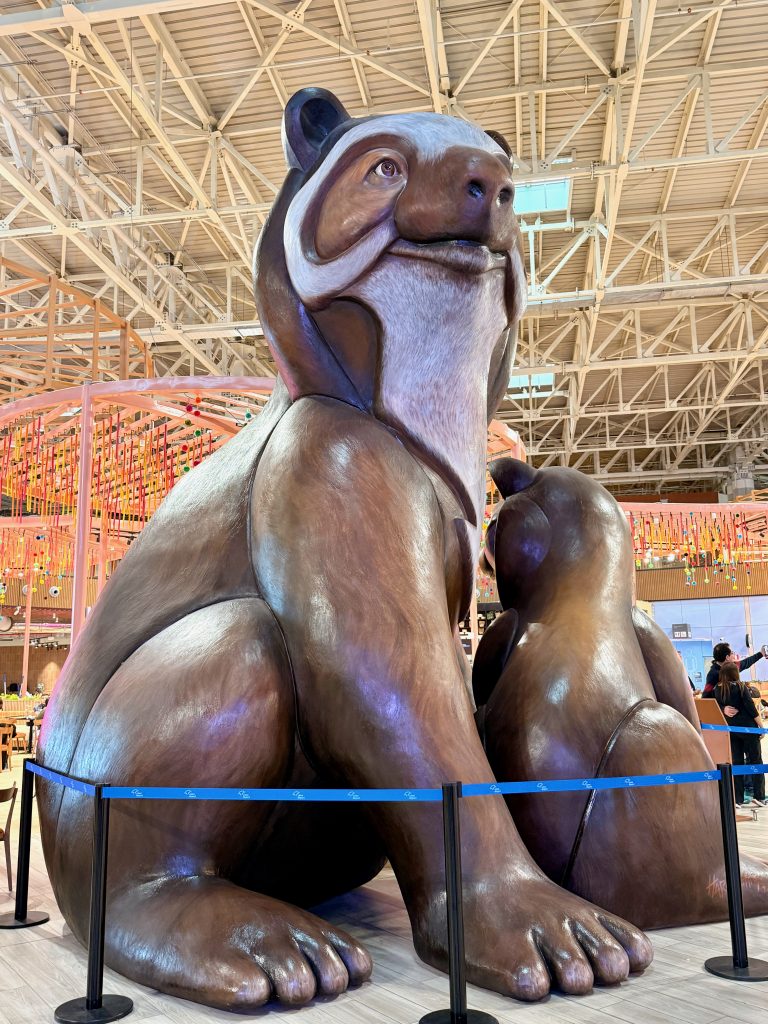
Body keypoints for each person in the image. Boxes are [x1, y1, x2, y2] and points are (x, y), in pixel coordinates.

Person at [713, 662, 766, 808]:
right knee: (756, 761)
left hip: (732, 731)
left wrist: (723, 709)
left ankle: (738, 799)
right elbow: (751, 709)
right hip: (748, 730)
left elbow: (716, 705)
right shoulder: (741, 687)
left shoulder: (718, 689)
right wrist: (761, 726)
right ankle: (759, 796)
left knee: (736, 763)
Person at [702, 641, 768, 697]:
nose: (734, 655)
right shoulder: (713, 674)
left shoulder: (732, 667)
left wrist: (761, 653)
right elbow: (706, 697)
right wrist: (723, 708)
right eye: (732, 653)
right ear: (727, 657)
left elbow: (746, 663)